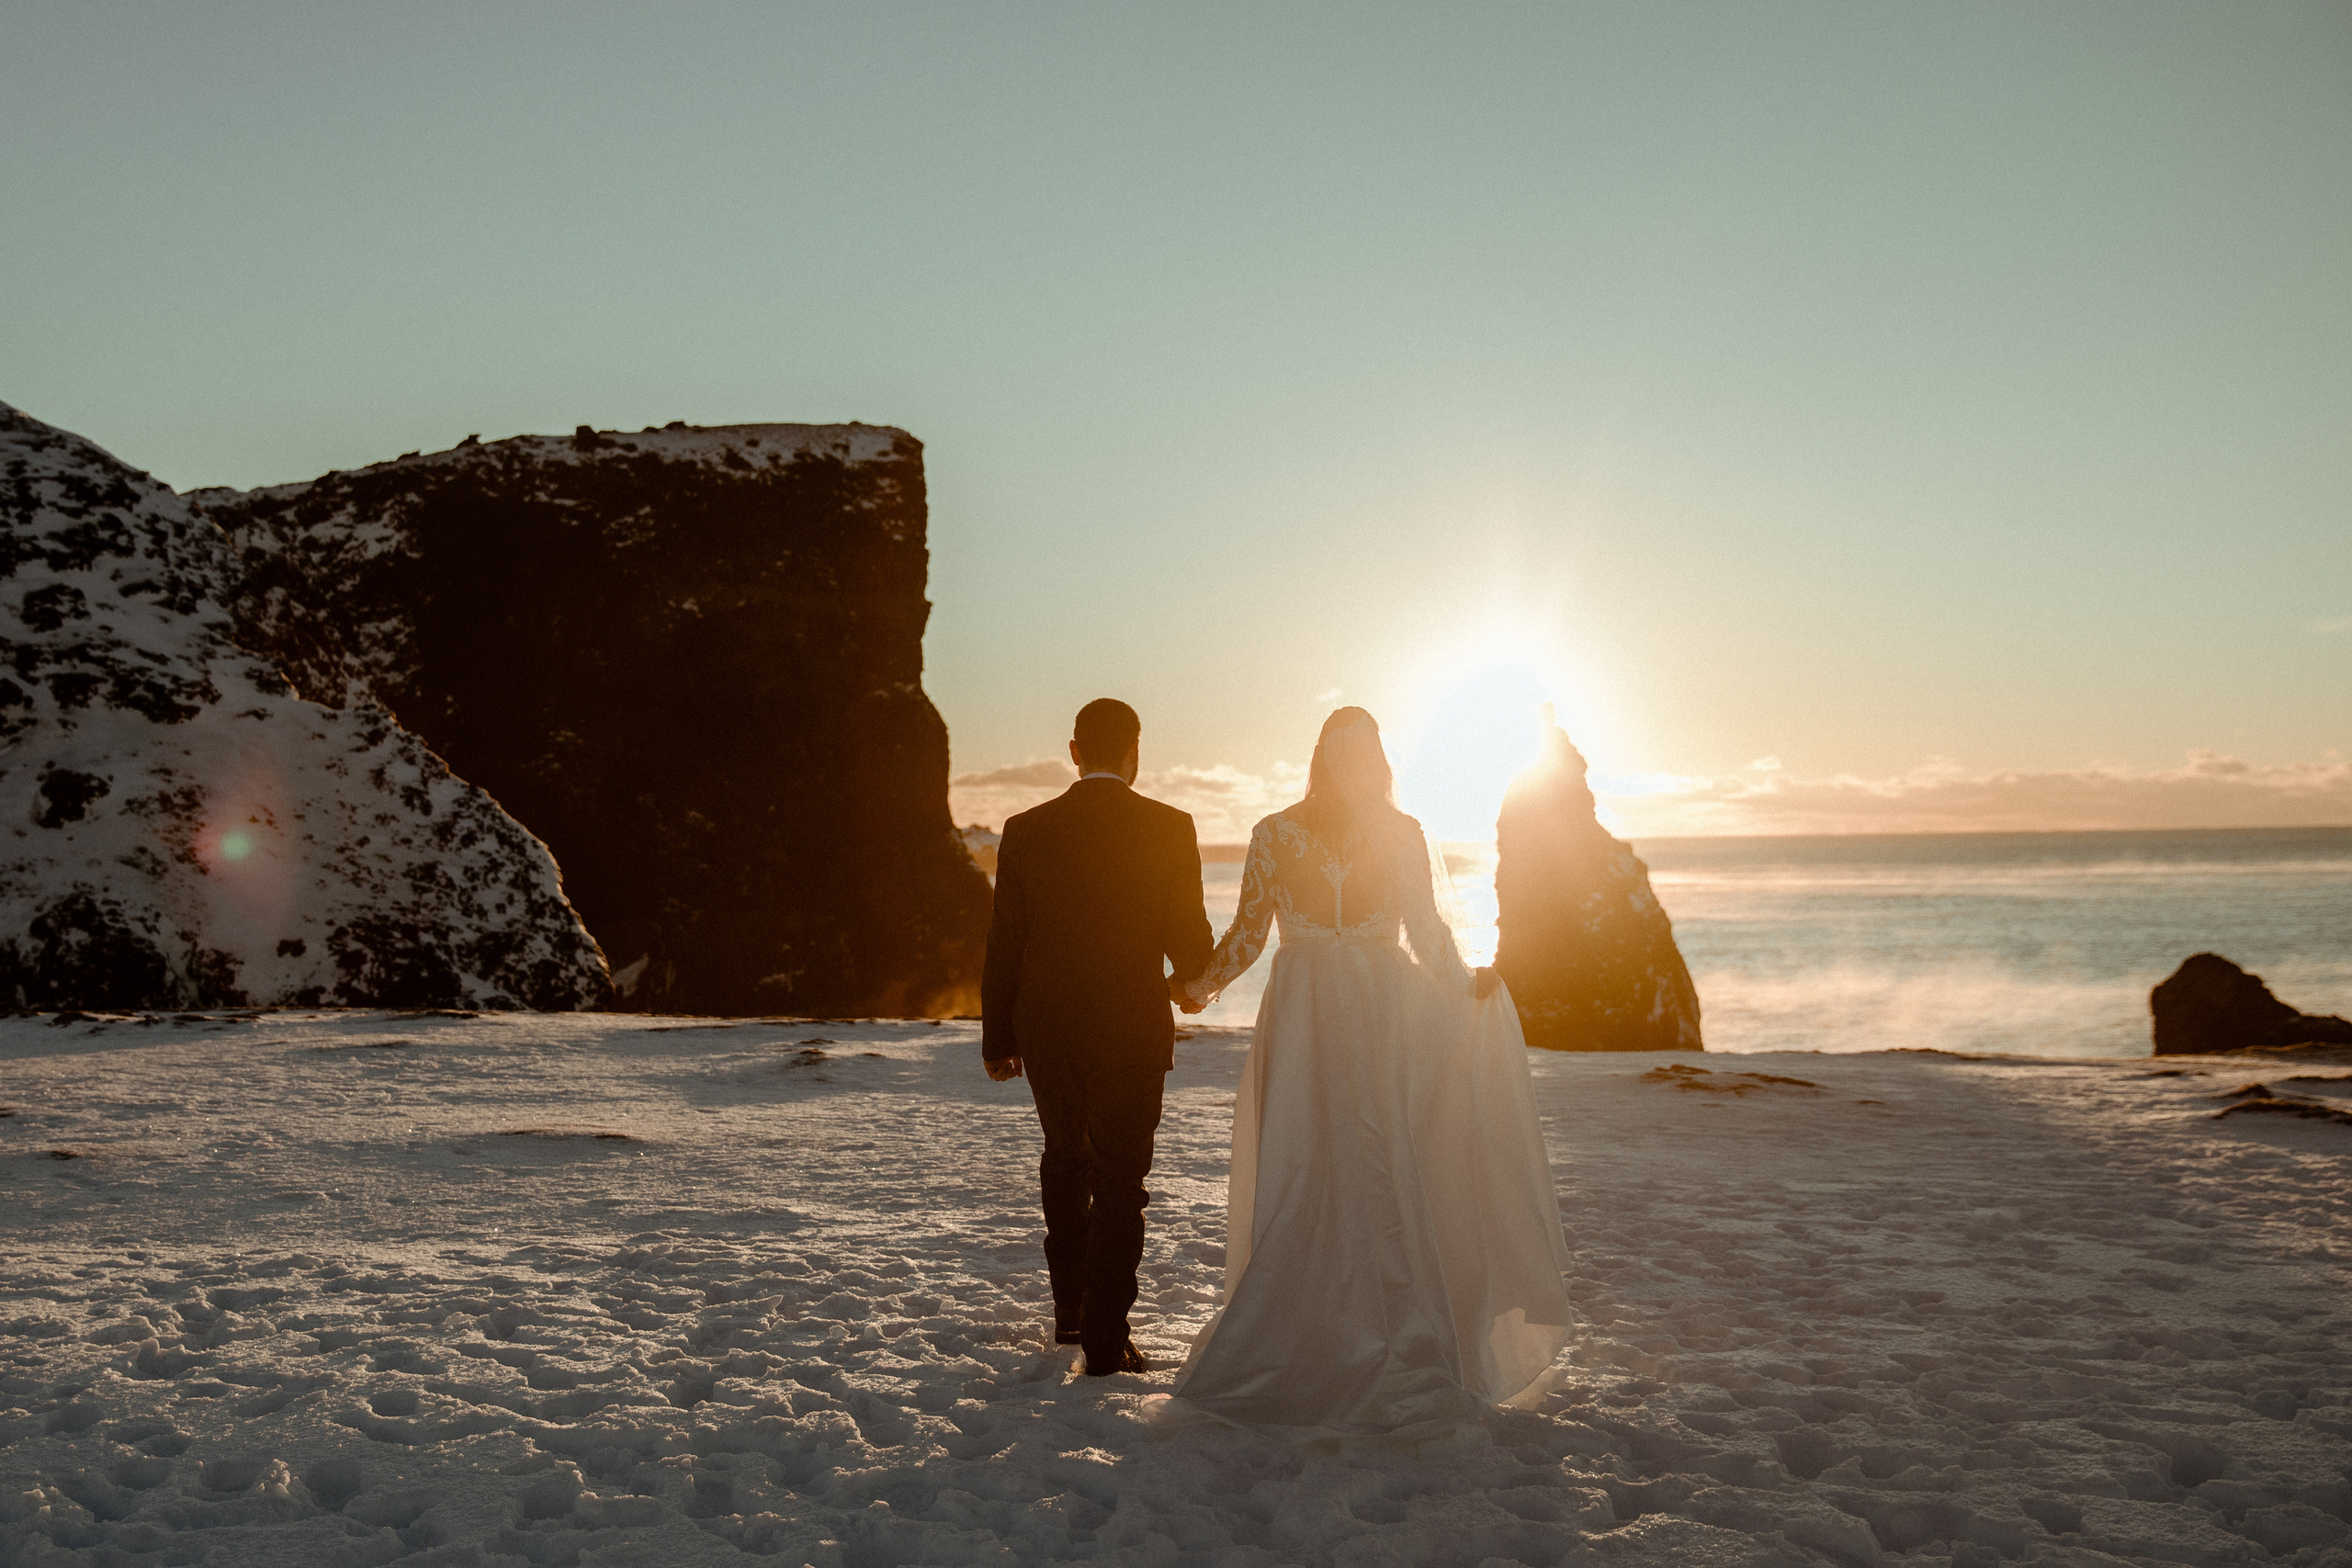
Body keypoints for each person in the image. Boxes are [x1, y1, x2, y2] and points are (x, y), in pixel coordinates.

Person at [1161, 706, 1573, 1435]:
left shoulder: (1278, 832)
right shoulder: (1389, 832)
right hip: (1360, 1009)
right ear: (1361, 760)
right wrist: (1464, 981)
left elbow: (1252, 937)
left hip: (1316, 1009)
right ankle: (1376, 1330)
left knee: (1324, 1162)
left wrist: (1195, 986)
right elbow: (1426, 934)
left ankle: (1319, 1332)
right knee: (1357, 1158)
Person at [981, 698, 1216, 1375]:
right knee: (1121, 1184)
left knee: (1064, 1158)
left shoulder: (1026, 829)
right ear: (1135, 753)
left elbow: (1006, 944)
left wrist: (998, 1036)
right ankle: (1106, 1341)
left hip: (1048, 1029)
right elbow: (1190, 940)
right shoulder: (1171, 827)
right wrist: (1195, 983)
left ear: (1075, 751)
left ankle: (1071, 1312)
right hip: (1132, 1030)